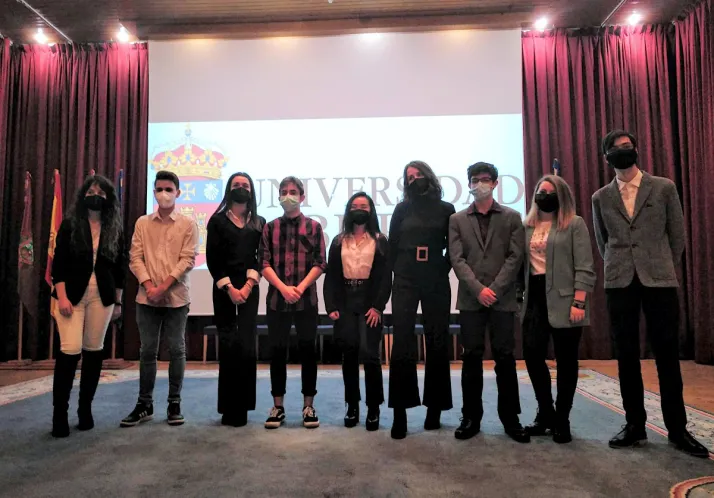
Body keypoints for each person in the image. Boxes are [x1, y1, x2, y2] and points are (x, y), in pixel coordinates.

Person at [592, 130, 708, 458]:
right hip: (620, 282)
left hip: (659, 280)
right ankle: (635, 425)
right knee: (626, 356)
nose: (623, 151)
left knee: (667, 355)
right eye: (616, 149)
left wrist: (660, 264)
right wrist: (619, 265)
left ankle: (677, 429)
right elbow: (603, 242)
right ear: (606, 157)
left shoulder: (664, 187)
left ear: (636, 150)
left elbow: (677, 236)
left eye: (627, 146)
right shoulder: (600, 197)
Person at [448, 162, 529, 442]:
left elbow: (515, 257)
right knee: (471, 357)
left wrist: (494, 289)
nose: (479, 184)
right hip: (471, 300)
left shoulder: (512, 217)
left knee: (505, 358)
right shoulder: (457, 219)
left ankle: (511, 418)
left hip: (502, 299)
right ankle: (470, 417)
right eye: (475, 179)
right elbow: (457, 259)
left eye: (485, 179)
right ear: (469, 184)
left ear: (495, 183)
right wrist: (478, 289)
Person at [521, 175, 596, 444]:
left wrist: (579, 302)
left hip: (567, 301)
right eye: (541, 191)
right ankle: (545, 413)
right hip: (534, 300)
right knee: (532, 356)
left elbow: (585, 266)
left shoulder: (574, 224)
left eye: (550, 192)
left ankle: (562, 418)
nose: (544, 196)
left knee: (566, 361)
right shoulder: (526, 226)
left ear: (561, 195)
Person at [121, 170, 198, 428]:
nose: (163, 194)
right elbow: (135, 258)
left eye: (168, 189)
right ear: (153, 192)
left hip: (177, 298)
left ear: (178, 193)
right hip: (147, 299)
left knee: (177, 349)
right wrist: (149, 286)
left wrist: (163, 287)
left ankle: (174, 402)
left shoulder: (188, 224)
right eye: (159, 189)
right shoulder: (142, 223)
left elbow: (187, 260)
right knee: (147, 351)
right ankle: (145, 404)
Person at [50, 174, 125, 438]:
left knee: (94, 352)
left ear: (109, 198)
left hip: (101, 298)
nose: (96, 196)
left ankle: (85, 409)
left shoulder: (114, 228)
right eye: (91, 192)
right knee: (69, 350)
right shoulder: (70, 224)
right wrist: (62, 297)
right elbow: (58, 264)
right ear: (83, 195)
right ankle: (60, 414)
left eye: (101, 193)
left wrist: (118, 301)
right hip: (70, 296)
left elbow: (120, 269)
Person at [388, 160, 455, 440]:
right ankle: (400, 412)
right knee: (402, 341)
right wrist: (400, 271)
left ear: (429, 177)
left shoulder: (446, 209)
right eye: (409, 177)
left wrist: (441, 269)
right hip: (405, 278)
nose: (414, 180)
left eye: (418, 175)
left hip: (435, 278)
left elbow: (453, 248)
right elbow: (391, 245)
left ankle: (435, 409)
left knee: (437, 340)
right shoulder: (401, 209)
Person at [260, 176, 327, 429]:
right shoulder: (270, 228)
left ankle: (309, 406)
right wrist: (284, 288)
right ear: (279, 196)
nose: (288, 196)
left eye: (293, 192)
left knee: (308, 353)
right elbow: (263, 263)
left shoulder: (314, 227)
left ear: (302, 196)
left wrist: (299, 288)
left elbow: (320, 262)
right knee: (277, 352)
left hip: (306, 300)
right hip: (277, 300)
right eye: (284, 191)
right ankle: (277, 407)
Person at [324, 192, 391, 431]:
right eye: (354, 206)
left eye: (364, 206)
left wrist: (378, 306)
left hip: (369, 302)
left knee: (370, 355)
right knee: (349, 355)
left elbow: (385, 278)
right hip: (345, 301)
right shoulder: (338, 240)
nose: (359, 210)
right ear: (348, 211)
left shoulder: (380, 240)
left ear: (371, 210)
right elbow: (331, 276)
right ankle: (352, 405)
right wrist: (331, 305)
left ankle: (374, 408)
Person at [206, 172, 265, 427]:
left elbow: (260, 258)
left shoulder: (259, 222)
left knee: (247, 346)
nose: (241, 188)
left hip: (250, 289)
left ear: (251, 191)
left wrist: (248, 285)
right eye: (236, 184)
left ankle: (243, 407)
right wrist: (230, 288)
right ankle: (228, 408)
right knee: (229, 345)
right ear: (229, 189)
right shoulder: (217, 221)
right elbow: (212, 258)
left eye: (245, 185)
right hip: (224, 290)